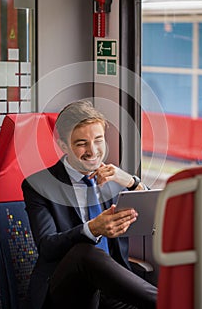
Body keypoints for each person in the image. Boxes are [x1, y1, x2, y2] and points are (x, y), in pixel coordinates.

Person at [22, 100, 157, 309]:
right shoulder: (39, 185)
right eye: (81, 143)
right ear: (63, 146)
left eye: (98, 140)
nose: (92, 151)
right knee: (85, 253)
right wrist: (92, 228)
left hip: (112, 292)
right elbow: (48, 247)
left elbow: (156, 217)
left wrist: (131, 181)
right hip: (67, 292)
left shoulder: (115, 180)